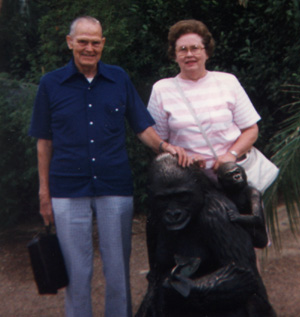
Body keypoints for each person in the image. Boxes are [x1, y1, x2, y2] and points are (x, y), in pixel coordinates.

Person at [29, 16, 188, 317]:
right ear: (70, 42)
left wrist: (166, 147)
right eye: (82, 41)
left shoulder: (119, 78)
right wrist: (44, 192)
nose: (89, 48)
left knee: (118, 272)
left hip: (114, 186)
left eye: (95, 42)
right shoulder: (50, 83)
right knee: (76, 274)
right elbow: (43, 141)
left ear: (103, 43)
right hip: (67, 188)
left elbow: (142, 127)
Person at [148, 19, 261, 180]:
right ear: (174, 55)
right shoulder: (161, 89)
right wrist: (185, 159)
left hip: (234, 175)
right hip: (191, 181)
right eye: (182, 49)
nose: (189, 54)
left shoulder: (228, 81)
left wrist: (231, 155)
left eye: (195, 48)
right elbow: (158, 142)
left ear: (207, 52)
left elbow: (251, 129)